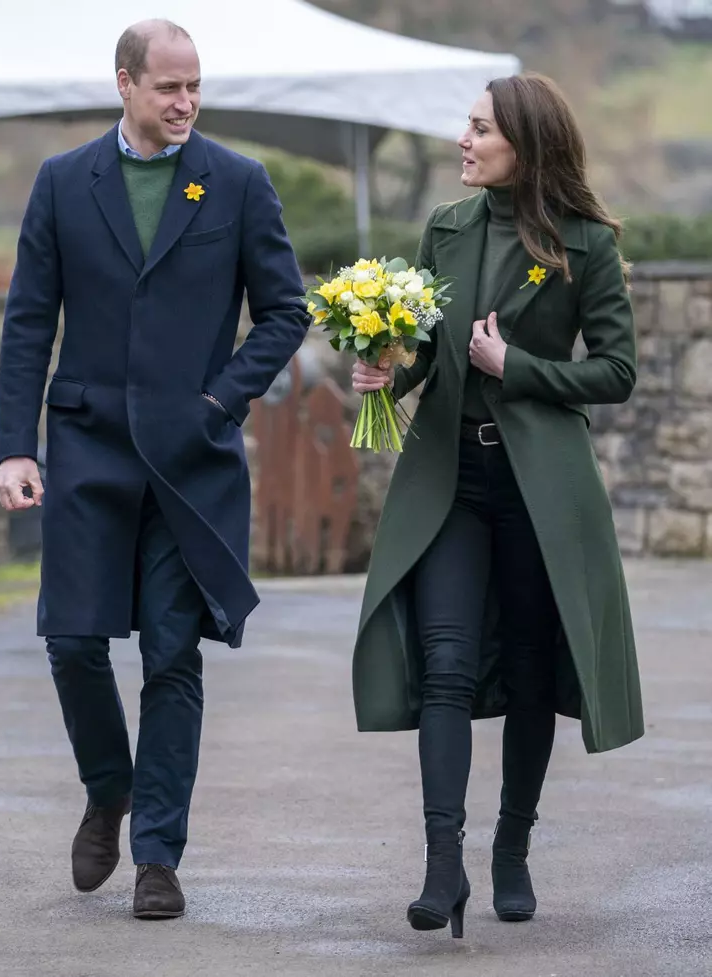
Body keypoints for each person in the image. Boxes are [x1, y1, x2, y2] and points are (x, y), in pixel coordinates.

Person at [0, 19, 309, 919]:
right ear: (125, 83)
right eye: (168, 86)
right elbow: (27, 323)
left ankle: (158, 855)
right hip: (87, 445)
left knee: (173, 654)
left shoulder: (239, 182)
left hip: (190, 458)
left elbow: (284, 312)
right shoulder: (62, 184)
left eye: (195, 87)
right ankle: (109, 785)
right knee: (71, 641)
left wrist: (219, 400)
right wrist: (17, 444)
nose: (185, 102)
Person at [351, 73, 643, 936]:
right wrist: (383, 369)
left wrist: (516, 368)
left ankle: (511, 848)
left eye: (478, 128)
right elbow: (428, 356)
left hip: (538, 489)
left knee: (523, 670)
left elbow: (616, 372)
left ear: (524, 141)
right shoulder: (445, 228)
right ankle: (444, 868)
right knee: (444, 663)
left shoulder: (585, 243)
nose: (463, 140)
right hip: (449, 482)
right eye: (467, 126)